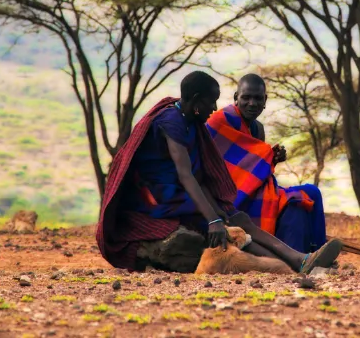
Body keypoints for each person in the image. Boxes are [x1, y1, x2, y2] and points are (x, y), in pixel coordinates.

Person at [95, 71, 343, 274]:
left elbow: (200, 173)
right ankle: (297, 264)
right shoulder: (171, 122)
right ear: (195, 100)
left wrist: (220, 210)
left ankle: (301, 259)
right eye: (210, 101)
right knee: (229, 228)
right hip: (161, 199)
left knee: (239, 219)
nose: (215, 108)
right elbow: (185, 174)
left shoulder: (191, 121)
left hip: (183, 193)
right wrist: (213, 218)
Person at [206, 73, 328, 252]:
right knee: (298, 198)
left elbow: (254, 168)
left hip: (254, 190)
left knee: (312, 191)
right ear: (236, 98)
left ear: (265, 101)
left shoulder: (257, 128)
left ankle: (318, 249)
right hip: (229, 197)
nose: (252, 103)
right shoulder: (219, 122)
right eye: (246, 97)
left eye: (258, 98)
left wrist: (273, 158)